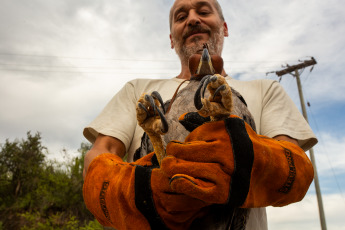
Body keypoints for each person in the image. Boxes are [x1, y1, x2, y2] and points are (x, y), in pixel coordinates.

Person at [82, 0, 318, 229]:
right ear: (171, 40)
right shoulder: (137, 90)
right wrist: (136, 192)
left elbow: (294, 162)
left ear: (224, 28)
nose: (193, 19)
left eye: (204, 11)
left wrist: (250, 162)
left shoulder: (265, 91)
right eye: (181, 17)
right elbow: (101, 154)